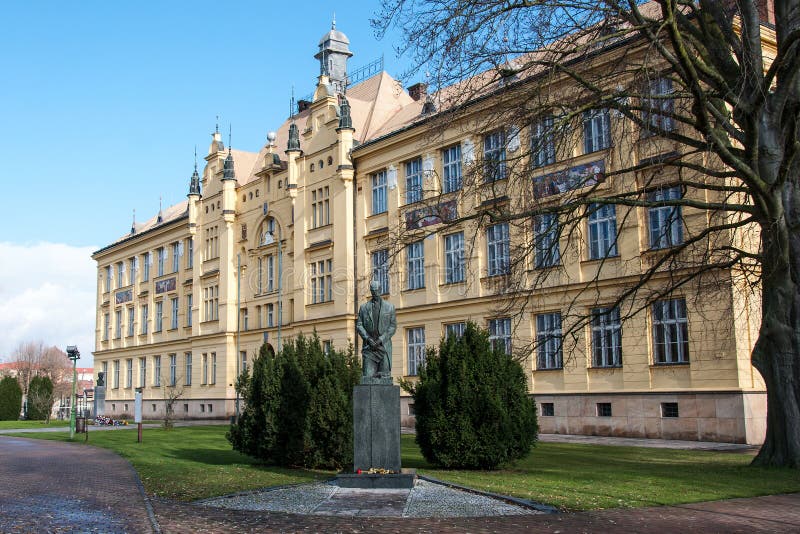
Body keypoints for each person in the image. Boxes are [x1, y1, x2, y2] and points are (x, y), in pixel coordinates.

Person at [356, 280, 396, 379]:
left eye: (377, 291)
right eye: (373, 291)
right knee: (367, 377)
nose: (375, 294)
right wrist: (368, 339)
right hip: (369, 347)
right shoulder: (364, 308)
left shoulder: (389, 307)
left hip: (383, 346)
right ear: (371, 291)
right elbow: (359, 325)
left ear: (380, 290)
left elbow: (392, 326)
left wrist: (381, 340)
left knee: (384, 376)